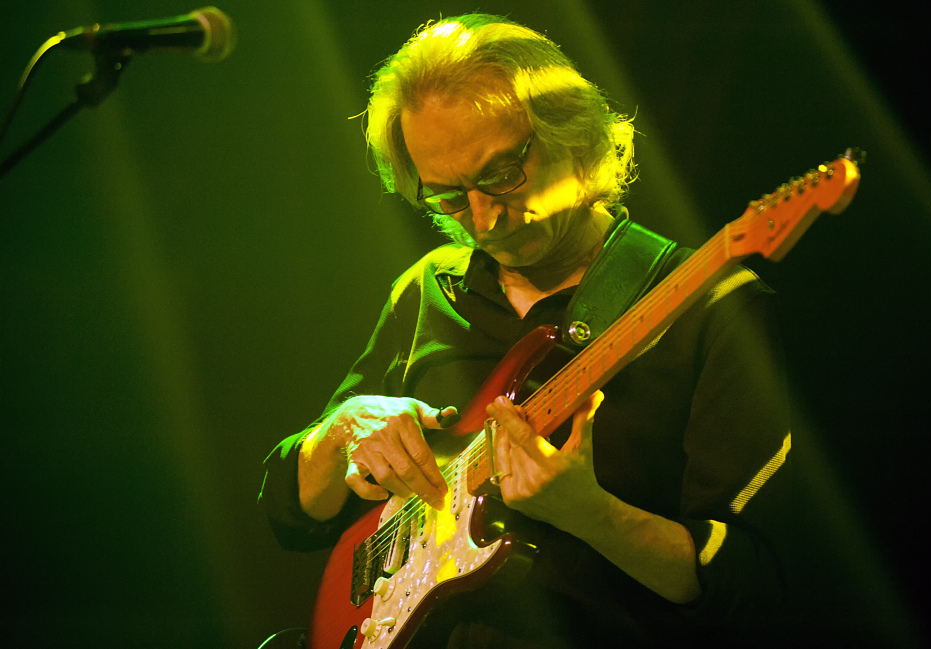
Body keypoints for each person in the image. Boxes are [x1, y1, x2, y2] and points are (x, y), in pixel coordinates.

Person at [260, 13, 791, 648]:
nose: (483, 221)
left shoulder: (714, 309)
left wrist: (593, 516)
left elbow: (756, 588)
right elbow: (295, 520)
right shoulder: (429, 286)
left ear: (574, 136)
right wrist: (341, 431)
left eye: (501, 174)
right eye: (448, 197)